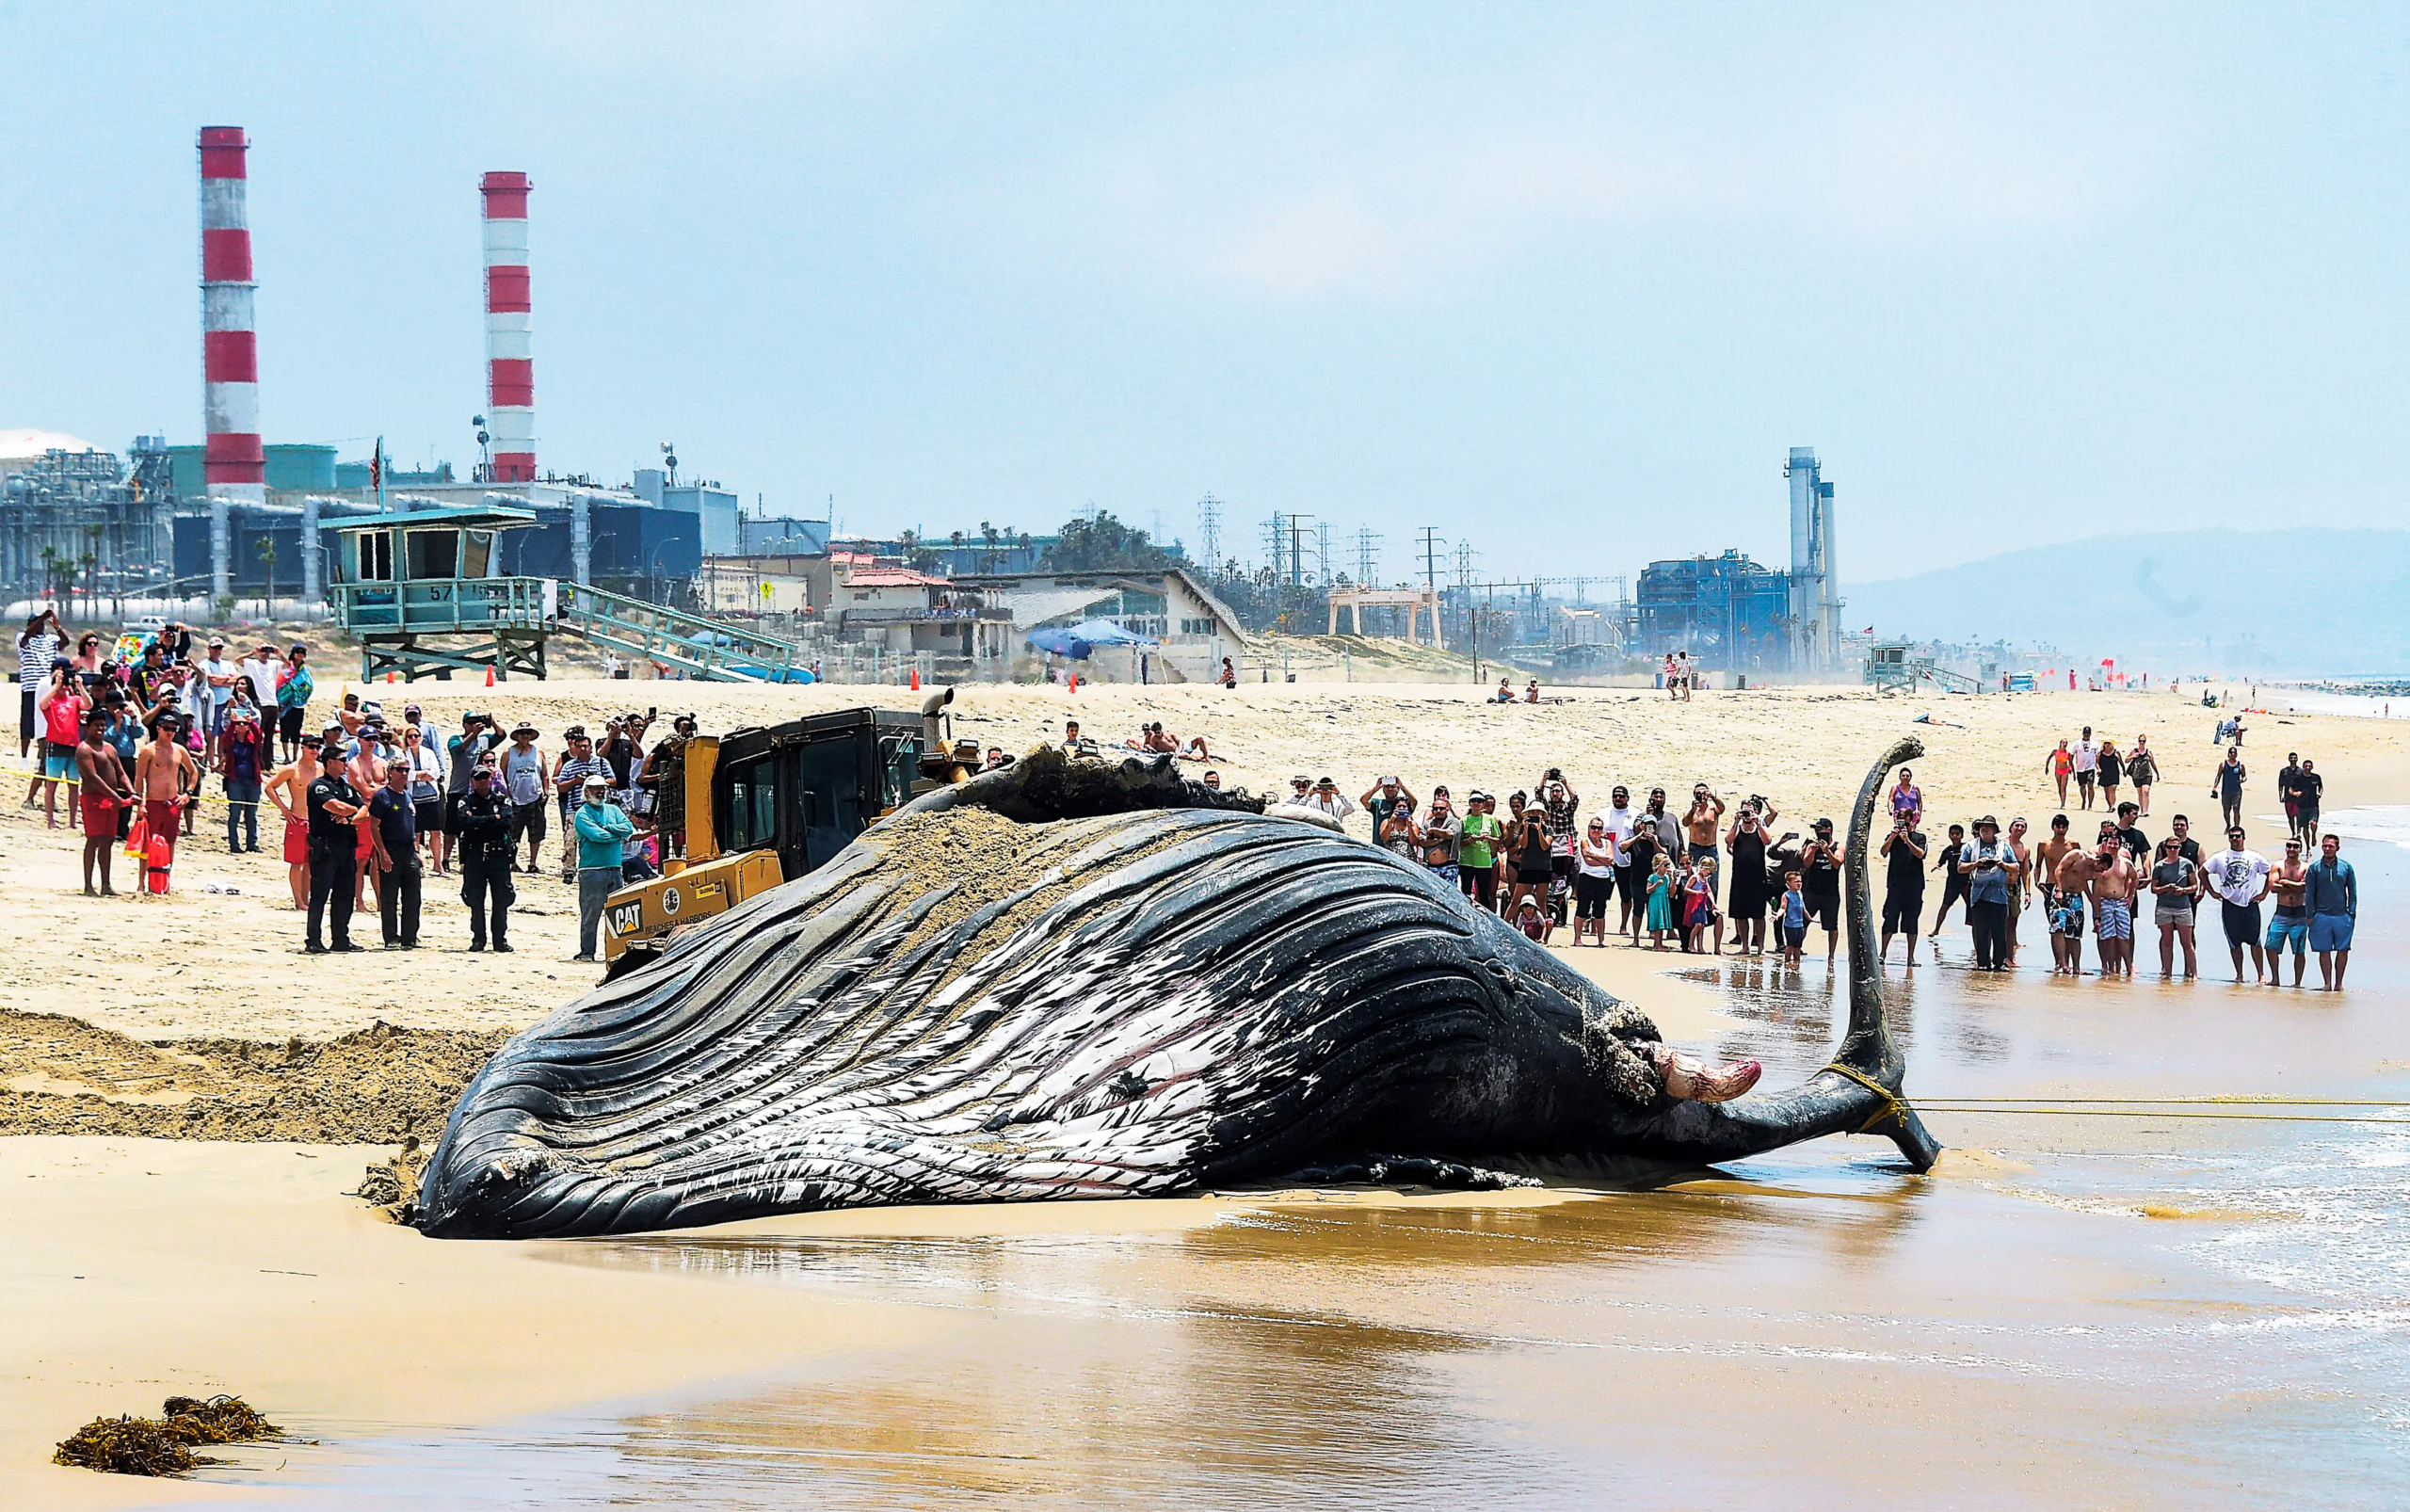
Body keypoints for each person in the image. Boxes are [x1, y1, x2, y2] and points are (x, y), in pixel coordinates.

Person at [303, 726, 364, 952]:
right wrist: (350, 811)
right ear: (330, 762)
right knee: (319, 895)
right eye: (341, 759)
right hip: (326, 846)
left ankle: (341, 938)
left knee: (344, 895)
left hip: (346, 846)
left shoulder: (346, 787)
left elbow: (365, 810)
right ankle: (314, 940)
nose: (345, 763)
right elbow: (332, 806)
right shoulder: (318, 786)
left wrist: (348, 818)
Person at [571, 775, 635, 962]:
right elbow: (599, 836)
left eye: (602, 788)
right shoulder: (582, 814)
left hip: (615, 869)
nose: (600, 791)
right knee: (591, 914)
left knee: (619, 915)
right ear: (586, 791)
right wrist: (617, 834)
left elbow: (628, 828)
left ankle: (617, 953)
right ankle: (587, 952)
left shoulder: (613, 810)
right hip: (592, 870)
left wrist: (609, 828)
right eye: (595, 788)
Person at [456, 764, 518, 953]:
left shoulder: (501, 800)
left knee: (501, 900)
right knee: (475, 899)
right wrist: (493, 819)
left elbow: (507, 822)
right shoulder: (466, 801)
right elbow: (464, 823)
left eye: (486, 777)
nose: (483, 780)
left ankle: (500, 940)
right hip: (475, 855)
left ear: (491, 778)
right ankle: (478, 939)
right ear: (473, 781)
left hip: (498, 855)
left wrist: (480, 821)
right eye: (479, 777)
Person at [133, 709, 199, 885]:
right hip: (153, 802)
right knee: (148, 843)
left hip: (172, 803)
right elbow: (139, 779)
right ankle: (141, 882)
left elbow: (194, 772)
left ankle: (165, 881)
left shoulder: (179, 750)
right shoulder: (148, 750)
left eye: (173, 729)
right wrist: (140, 805)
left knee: (170, 843)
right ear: (158, 728)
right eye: (166, 728)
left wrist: (187, 794)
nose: (170, 732)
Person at [73, 710, 134, 896]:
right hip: (94, 799)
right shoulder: (84, 749)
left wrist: (132, 792)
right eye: (96, 725)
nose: (100, 728)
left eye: (102, 725)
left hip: (111, 799)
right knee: (93, 839)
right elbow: (92, 777)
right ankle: (88, 885)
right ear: (87, 727)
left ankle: (106, 884)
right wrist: (114, 796)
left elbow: (121, 773)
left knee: (108, 840)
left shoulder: (109, 748)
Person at [368, 758, 422, 949]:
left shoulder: (407, 796)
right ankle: (391, 937)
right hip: (390, 849)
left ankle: (410, 936)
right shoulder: (382, 796)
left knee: (413, 896)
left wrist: (417, 850)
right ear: (390, 772)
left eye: (407, 770)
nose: (404, 773)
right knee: (389, 897)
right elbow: (374, 826)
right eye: (400, 770)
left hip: (409, 852)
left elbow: (414, 826)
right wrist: (382, 853)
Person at [2207, 826, 2272, 984]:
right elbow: (2203, 871)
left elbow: (2270, 873)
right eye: (2232, 836)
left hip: (2250, 904)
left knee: (2255, 941)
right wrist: (2212, 892)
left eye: (2238, 836)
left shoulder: (2254, 857)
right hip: (2229, 904)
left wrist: (2264, 894)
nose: (2235, 839)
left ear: (2243, 837)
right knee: (2234, 942)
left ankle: (2261, 974)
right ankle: (2239, 974)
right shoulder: (2220, 857)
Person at [265, 732, 321, 910]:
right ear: (303, 748)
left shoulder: (321, 769)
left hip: (317, 822)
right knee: (297, 863)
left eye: (317, 747)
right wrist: (284, 809)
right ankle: (298, 900)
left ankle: (306, 898)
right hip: (297, 820)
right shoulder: (292, 769)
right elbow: (269, 787)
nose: (314, 750)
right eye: (311, 747)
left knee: (311, 864)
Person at [1957, 816, 2019, 972]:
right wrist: (1976, 864)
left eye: (1988, 827)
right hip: (1978, 895)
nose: (1985, 829)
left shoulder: (2004, 847)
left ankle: (2000, 962)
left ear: (1994, 830)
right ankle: (1983, 962)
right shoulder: (1970, 846)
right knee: (1981, 931)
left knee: (1999, 931)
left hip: (1999, 895)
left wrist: (2002, 864)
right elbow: (1960, 868)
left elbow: (2015, 867)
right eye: (1982, 827)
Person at [34, 664, 87, 828]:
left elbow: (88, 704)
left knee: (73, 785)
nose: (64, 687)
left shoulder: (74, 700)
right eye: (62, 684)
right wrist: (56, 685)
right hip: (55, 746)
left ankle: (72, 821)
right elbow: (42, 704)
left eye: (66, 684)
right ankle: (50, 820)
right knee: (51, 784)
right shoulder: (52, 701)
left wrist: (80, 686)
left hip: (72, 746)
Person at [2144, 835, 2203, 979]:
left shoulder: (2187, 864)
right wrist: (2165, 888)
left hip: (2183, 907)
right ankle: (2167, 973)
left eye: (2175, 847)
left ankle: (2194, 973)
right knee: (2166, 941)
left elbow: (2194, 885)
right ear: (2165, 848)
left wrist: (2183, 890)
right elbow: (2154, 889)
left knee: (2187, 942)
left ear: (2179, 848)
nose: (2172, 850)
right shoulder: (2159, 866)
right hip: (2164, 907)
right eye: (2169, 847)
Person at [2084, 825, 2140, 978]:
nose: (2113, 846)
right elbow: (2086, 879)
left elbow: (2135, 878)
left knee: (2123, 937)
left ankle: (2127, 969)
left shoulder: (2126, 862)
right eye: (2110, 843)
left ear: (2119, 846)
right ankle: (2106, 967)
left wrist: (2130, 896)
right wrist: (2092, 900)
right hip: (2104, 902)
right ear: (2105, 844)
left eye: (2116, 844)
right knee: (2106, 937)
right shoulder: (2100, 862)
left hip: (2120, 902)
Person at [1722, 800, 1775, 955]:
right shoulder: (1737, 829)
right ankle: (1744, 946)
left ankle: (1760, 947)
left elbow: (1768, 840)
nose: (1747, 816)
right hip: (1739, 877)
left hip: (1757, 878)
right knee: (1740, 914)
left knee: (1759, 914)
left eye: (1749, 812)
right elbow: (1728, 840)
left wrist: (1758, 823)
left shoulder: (1759, 829)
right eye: (1744, 812)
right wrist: (1736, 821)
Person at [2305, 834, 2356, 990]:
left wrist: (2351, 914)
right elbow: (2309, 893)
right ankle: (2327, 983)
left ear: (2337, 848)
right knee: (2324, 950)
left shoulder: (2346, 867)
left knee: (2343, 949)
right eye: (2325, 846)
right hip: (2321, 915)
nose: (2327, 849)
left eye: (2331, 846)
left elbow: (2352, 892)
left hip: (2342, 916)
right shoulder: (2315, 868)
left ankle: (2339, 983)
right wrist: (2309, 915)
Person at [2034, 814, 2082, 975]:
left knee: (2071, 927)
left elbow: (2080, 865)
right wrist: (2037, 883)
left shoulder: (2073, 844)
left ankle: (2068, 963)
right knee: (2056, 927)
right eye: (2058, 827)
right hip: (2051, 887)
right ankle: (2059, 962)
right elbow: (2038, 865)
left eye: (2063, 827)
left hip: (2069, 888)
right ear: (2053, 827)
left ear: (2067, 827)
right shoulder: (2044, 844)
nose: (2060, 830)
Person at [501, 721, 552, 874]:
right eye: (522, 733)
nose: (525, 736)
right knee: (512, 832)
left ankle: (532, 862)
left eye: (528, 733)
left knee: (536, 832)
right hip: (514, 798)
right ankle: (511, 861)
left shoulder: (538, 752)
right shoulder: (508, 753)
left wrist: (546, 791)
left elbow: (544, 775)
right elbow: (502, 775)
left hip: (535, 797)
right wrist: (506, 792)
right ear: (517, 735)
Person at [18, 607, 64, 762]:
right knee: (27, 723)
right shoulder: (23, 638)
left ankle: (41, 756)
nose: (41, 626)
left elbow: (65, 642)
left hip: (48, 687)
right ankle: (24, 757)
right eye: (37, 623)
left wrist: (57, 627)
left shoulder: (50, 639)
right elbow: (25, 638)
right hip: (30, 687)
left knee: (45, 722)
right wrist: (42, 617)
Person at [2264, 837, 2311, 988]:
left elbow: (2307, 888)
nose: (2292, 849)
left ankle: (2297, 983)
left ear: (2300, 850)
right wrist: (2297, 886)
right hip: (2281, 913)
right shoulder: (2278, 866)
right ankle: (2275, 979)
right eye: (2289, 846)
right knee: (2270, 946)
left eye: (2295, 847)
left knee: (2299, 950)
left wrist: (2287, 883)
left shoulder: (2306, 868)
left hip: (2299, 914)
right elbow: (2273, 887)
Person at [219, 703, 266, 852]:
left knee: (251, 814)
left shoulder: (253, 741)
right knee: (235, 813)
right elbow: (225, 740)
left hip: (253, 780)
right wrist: (232, 723)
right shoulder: (231, 741)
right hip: (235, 781)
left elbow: (260, 736)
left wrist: (251, 722)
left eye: (243, 724)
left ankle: (252, 843)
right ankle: (234, 844)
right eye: (239, 723)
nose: (241, 725)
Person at [1797, 815, 1843, 961]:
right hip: (1811, 890)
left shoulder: (1838, 846)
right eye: (1816, 830)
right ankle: (1797, 948)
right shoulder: (1812, 845)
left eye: (1820, 829)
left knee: (1831, 925)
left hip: (1830, 893)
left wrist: (1827, 850)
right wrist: (1812, 849)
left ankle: (1831, 956)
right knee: (1803, 921)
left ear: (1828, 830)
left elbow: (1837, 863)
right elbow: (1806, 863)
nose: (1817, 832)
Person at [1572, 816, 1617, 946]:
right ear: (1589, 828)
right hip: (1587, 877)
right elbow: (1588, 861)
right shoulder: (1585, 841)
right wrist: (1603, 860)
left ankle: (1601, 940)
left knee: (1600, 910)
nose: (1596, 830)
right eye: (1593, 827)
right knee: (1582, 908)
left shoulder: (1607, 843)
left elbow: (1610, 860)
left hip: (1603, 879)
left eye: (1599, 828)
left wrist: (1593, 855)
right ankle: (1577, 938)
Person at [1457, 790, 1504, 911]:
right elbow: (1458, 843)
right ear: (1470, 803)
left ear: (1483, 804)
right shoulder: (1464, 821)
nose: (1476, 803)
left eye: (1479, 801)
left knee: (1484, 894)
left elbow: (1498, 839)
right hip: (1467, 861)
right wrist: (1469, 840)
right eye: (1473, 801)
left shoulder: (1490, 820)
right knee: (1465, 892)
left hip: (1484, 861)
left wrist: (1488, 838)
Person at [1508, 801, 1552, 918]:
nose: (1535, 814)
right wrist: (1527, 828)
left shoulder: (1548, 829)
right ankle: (1504, 925)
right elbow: (1523, 844)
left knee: (1541, 902)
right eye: (1533, 812)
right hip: (1527, 867)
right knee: (1516, 900)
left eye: (1538, 812)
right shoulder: (1523, 828)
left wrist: (1539, 830)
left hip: (1543, 867)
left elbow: (1545, 846)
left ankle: (1542, 932)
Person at [1926, 821, 1968, 945]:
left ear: (1961, 835)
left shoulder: (1966, 848)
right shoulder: (1947, 851)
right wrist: (1936, 866)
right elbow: (1941, 862)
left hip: (1966, 882)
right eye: (1952, 834)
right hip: (1952, 883)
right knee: (1945, 906)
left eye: (1957, 834)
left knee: (1972, 908)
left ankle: (1977, 932)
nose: (1955, 836)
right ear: (1949, 835)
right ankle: (1936, 929)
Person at [273, 645, 313, 763]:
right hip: (285, 705)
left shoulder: (305, 671)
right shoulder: (286, 668)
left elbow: (309, 685)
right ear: (293, 653)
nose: (300, 654)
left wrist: (300, 691)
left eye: (302, 652)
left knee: (296, 731)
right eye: (298, 652)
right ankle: (286, 756)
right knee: (284, 730)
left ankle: (295, 757)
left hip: (298, 705)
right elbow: (280, 683)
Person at [1420, 787, 1462, 890]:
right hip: (1430, 867)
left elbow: (1450, 834)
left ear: (1447, 809)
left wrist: (1434, 831)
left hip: (1448, 866)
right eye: (1435, 809)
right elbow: (1422, 841)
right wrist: (1439, 840)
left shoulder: (1453, 821)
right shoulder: (1427, 824)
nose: (1438, 811)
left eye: (1441, 809)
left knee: (1450, 895)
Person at [2209, 748, 2247, 833]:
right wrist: (2215, 787)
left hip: (2236, 791)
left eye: (2234, 753)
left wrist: (2243, 779)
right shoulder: (2223, 764)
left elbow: (2244, 776)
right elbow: (2218, 776)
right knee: (2226, 810)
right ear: (2229, 754)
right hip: (2226, 791)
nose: (2233, 754)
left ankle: (2237, 827)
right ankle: (2228, 825)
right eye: (2231, 753)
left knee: (2236, 809)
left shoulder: (2240, 765)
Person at [1776, 870, 1809, 967]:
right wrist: (1778, 915)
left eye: (1800, 882)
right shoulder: (1787, 895)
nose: (1799, 884)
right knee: (1790, 946)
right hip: (1790, 925)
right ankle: (1786, 963)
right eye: (1796, 882)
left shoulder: (1800, 894)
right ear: (1788, 883)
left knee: (1798, 947)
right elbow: (1783, 908)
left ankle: (1796, 964)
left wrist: (1810, 918)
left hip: (1800, 924)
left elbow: (1803, 909)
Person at [1645, 853, 1677, 948]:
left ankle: (1659, 943)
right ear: (1658, 865)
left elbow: (1671, 893)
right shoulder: (1652, 877)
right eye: (1665, 865)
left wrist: (1673, 879)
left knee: (1662, 923)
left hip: (1664, 900)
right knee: (1657, 922)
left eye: (1668, 865)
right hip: (1655, 901)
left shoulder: (1666, 877)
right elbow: (1648, 890)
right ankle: (1657, 944)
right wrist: (1655, 885)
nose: (1667, 868)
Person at [2127, 735, 2159, 817]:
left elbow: (2153, 763)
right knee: (2140, 793)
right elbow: (2126, 760)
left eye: (2143, 741)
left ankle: (2145, 811)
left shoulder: (2148, 752)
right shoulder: (2134, 751)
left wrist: (2157, 773)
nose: (2142, 743)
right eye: (2140, 741)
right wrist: (2133, 756)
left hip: (2147, 774)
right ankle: (2142, 810)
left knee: (2146, 791)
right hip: (2136, 775)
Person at [2294, 758, 2323, 846]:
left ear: (2312, 767)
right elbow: (2291, 789)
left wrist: (2320, 793)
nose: (2308, 768)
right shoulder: (2298, 778)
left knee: (2313, 823)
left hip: (2313, 805)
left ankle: (2314, 835)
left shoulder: (2316, 777)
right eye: (2306, 766)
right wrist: (2296, 793)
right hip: (2302, 806)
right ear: (2303, 767)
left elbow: (2321, 787)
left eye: (2309, 766)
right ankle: (2308, 847)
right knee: (2305, 828)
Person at [2072, 727, 2098, 810]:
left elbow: (2097, 756)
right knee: (2082, 786)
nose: (2086, 735)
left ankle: (2090, 804)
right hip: (2080, 767)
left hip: (2090, 767)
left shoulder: (2094, 743)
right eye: (2085, 733)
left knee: (2090, 785)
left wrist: (2098, 766)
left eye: (2088, 733)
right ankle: (2084, 800)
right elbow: (2072, 754)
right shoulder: (2077, 743)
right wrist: (2070, 765)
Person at [2097, 740, 2123, 813]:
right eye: (2106, 743)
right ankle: (2110, 806)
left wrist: (2124, 770)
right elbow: (2097, 763)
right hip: (2104, 773)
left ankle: (2113, 806)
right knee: (2107, 791)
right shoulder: (2100, 754)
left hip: (2114, 773)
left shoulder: (2116, 753)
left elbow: (2121, 762)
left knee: (2112, 789)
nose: (2107, 745)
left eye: (2109, 743)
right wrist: (2099, 769)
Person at [2045, 739, 2073, 806]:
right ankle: (2061, 800)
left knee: (2063, 787)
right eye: (2063, 743)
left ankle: (2063, 803)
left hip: (2065, 771)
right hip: (2057, 770)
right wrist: (2046, 767)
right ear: (2060, 743)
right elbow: (2048, 758)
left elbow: (2071, 763)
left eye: (2066, 743)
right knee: (2059, 786)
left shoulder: (2068, 754)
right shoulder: (2055, 752)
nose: (2065, 744)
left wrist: (2073, 772)